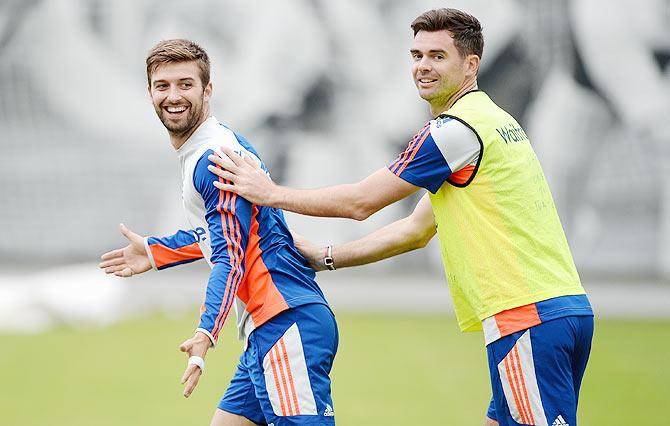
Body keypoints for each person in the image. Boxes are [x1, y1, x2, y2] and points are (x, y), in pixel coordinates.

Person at [208, 9, 594, 426]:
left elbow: (362, 202)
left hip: (528, 319)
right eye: (417, 55)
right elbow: (416, 229)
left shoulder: (453, 132)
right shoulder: (494, 121)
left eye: (437, 56)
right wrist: (327, 255)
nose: (423, 66)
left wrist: (270, 193)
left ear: (471, 64)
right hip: (561, 311)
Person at [99, 39, 338, 426]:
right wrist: (156, 251)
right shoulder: (217, 143)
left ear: (207, 90)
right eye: (162, 86)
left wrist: (206, 333)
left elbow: (231, 257)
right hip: (269, 326)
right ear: (149, 92)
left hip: (286, 322)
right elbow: (231, 234)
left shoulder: (213, 158)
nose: (173, 96)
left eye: (185, 84)